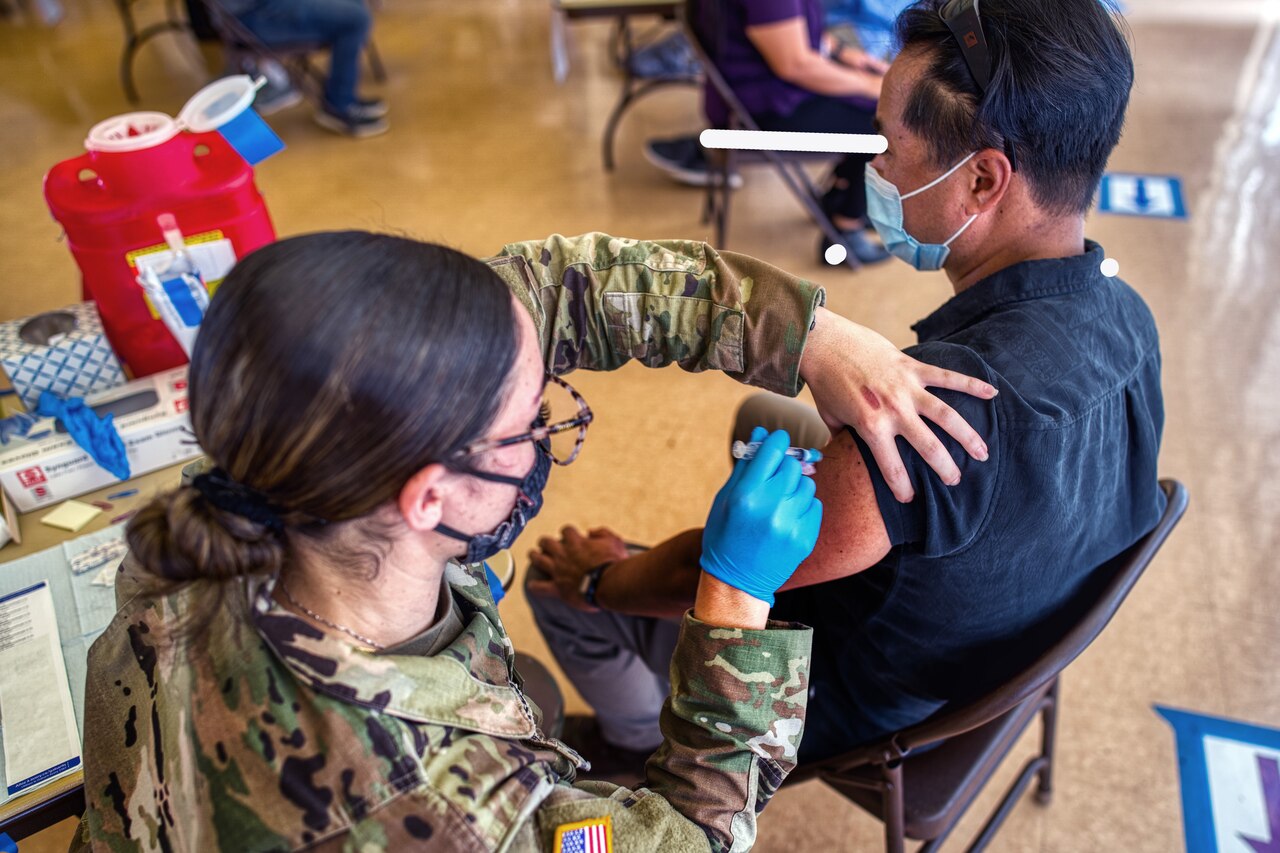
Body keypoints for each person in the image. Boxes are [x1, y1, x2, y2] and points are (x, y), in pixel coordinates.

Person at [74, 231, 997, 851]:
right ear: (429, 494)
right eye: (528, 424)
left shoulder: (229, 509)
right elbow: (690, 838)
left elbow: (550, 294)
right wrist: (734, 597)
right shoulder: (428, 801)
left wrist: (810, 335)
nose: (548, 431)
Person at [530, 0, 1167, 771]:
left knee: (553, 587)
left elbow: (700, 573)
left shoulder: (933, 428)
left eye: (890, 144)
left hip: (852, 701)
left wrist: (601, 578)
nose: (877, 170)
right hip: (995, 642)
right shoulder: (1129, 317)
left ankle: (631, 741)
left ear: (983, 180)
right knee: (766, 414)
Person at [644, 0, 892, 263]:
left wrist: (843, 53)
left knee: (873, 107)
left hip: (750, 99)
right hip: (760, 114)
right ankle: (846, 228)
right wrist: (872, 85)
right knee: (880, 123)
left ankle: (838, 198)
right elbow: (794, 65)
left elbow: (791, 31)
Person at [213, 0, 388, 137]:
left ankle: (343, 97)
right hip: (256, 16)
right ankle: (339, 104)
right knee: (355, 18)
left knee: (354, 5)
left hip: (262, 8)